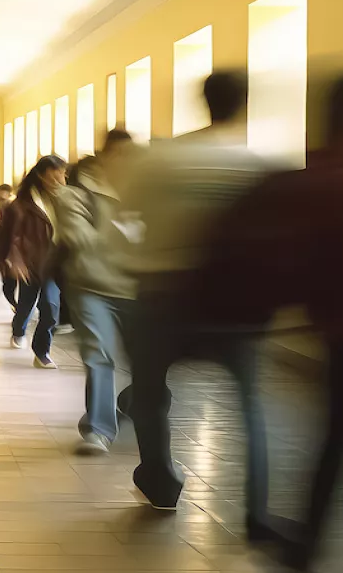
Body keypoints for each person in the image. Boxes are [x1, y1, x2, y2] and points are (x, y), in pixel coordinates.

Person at [219, 73, 343, 570]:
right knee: (338, 433)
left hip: (332, 319)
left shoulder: (314, 177)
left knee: (333, 433)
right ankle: (307, 540)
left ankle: (305, 537)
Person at [112, 71, 274, 536]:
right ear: (244, 104)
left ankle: (161, 483)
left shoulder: (160, 160)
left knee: (147, 393)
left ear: (201, 101)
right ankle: (257, 509)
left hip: (164, 295)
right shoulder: (257, 165)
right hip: (234, 300)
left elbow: (124, 218)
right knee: (251, 404)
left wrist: (136, 261)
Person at [55, 131, 144, 455]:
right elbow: (80, 238)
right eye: (118, 153)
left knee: (149, 363)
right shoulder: (74, 196)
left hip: (137, 289)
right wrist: (132, 239)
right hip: (91, 286)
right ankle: (98, 429)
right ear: (103, 155)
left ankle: (125, 405)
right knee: (98, 355)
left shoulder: (144, 192)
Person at [0, 155, 68, 368]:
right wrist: (11, 261)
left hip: (54, 264)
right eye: (56, 174)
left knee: (51, 307)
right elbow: (6, 236)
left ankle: (42, 351)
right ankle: (18, 330)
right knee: (27, 303)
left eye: (63, 174)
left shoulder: (64, 200)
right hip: (30, 263)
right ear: (42, 176)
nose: (61, 179)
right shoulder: (21, 205)